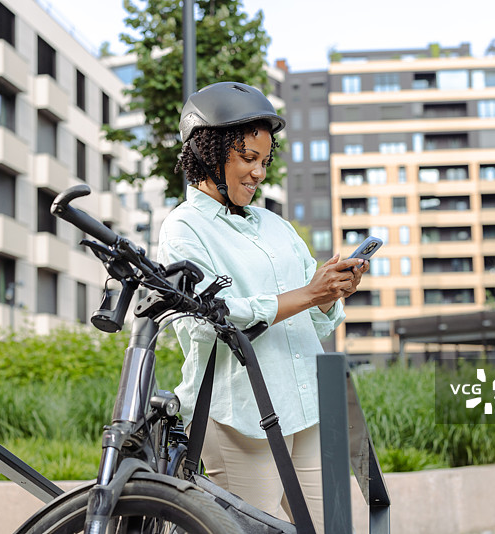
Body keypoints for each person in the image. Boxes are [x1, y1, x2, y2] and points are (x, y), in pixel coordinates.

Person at [157, 81, 369, 534]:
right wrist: (306, 295)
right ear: (209, 156)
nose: (258, 173)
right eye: (247, 159)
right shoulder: (182, 229)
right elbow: (204, 322)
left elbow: (313, 321)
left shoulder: (277, 226)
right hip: (240, 416)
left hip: (309, 404)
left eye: (263, 161)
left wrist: (328, 294)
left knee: (336, 528)